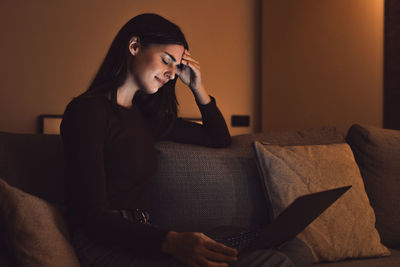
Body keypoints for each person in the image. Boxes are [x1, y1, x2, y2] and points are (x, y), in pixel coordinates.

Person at [60, 13, 313, 267]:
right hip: (109, 246)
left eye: (177, 66)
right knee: (270, 260)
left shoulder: (147, 119)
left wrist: (197, 87)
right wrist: (171, 241)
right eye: (166, 60)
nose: (172, 74)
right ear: (134, 46)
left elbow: (218, 138)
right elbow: (92, 218)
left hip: (152, 236)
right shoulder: (87, 111)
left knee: (292, 246)